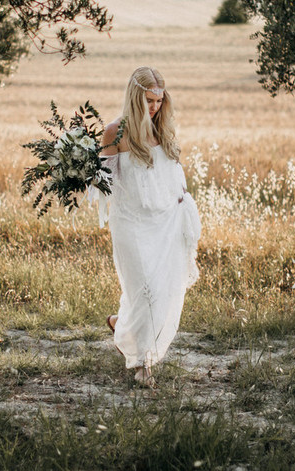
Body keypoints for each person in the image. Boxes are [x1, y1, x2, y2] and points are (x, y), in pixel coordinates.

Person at [97, 66, 201, 388]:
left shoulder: (162, 131)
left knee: (164, 290)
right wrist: (83, 171)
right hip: (130, 222)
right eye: (149, 99)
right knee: (145, 290)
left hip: (164, 222)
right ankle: (143, 364)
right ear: (135, 95)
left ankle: (120, 324)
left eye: (159, 99)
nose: (154, 106)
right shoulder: (114, 132)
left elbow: (172, 176)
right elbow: (104, 183)